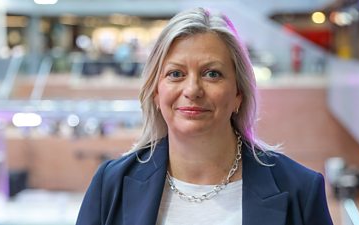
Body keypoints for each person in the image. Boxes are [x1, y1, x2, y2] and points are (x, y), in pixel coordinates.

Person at [76, 7, 334, 225]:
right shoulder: (111, 184)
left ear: (238, 94)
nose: (192, 90)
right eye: (176, 74)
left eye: (212, 73)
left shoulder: (300, 189)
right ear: (155, 92)